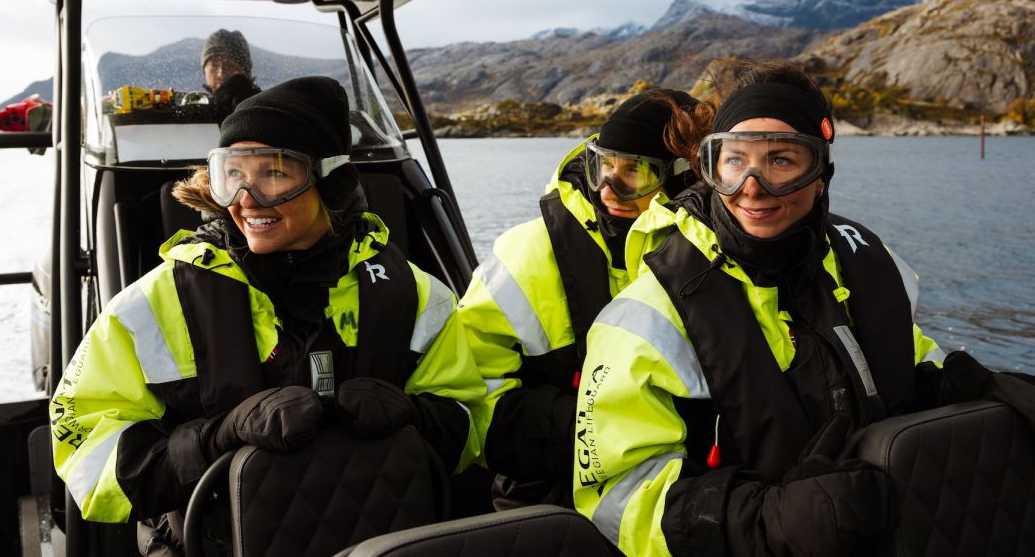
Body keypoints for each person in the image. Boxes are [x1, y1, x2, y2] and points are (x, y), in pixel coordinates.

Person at [50, 77, 485, 551]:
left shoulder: (418, 297)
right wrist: (215, 438)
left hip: (380, 539)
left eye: (275, 173)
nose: (247, 199)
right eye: (233, 173)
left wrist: (415, 416)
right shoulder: (153, 305)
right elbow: (84, 451)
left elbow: (473, 423)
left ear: (331, 181)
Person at [571, 60, 955, 557]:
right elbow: (617, 494)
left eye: (781, 161)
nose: (752, 186)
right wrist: (760, 524)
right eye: (734, 161)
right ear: (711, 170)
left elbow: (908, 357)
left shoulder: (867, 269)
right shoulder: (648, 315)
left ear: (821, 175)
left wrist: (960, 389)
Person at [457, 88, 716, 509]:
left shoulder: (719, 257)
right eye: (603, 166)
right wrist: (586, 427)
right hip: (548, 495)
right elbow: (467, 393)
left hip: (689, 494)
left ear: (684, 176)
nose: (609, 189)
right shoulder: (527, 255)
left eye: (634, 172)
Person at [201, 28, 260, 119]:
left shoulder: (259, 107)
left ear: (245, 71)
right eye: (214, 65)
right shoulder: (198, 107)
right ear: (204, 70)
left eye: (229, 65)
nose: (221, 73)